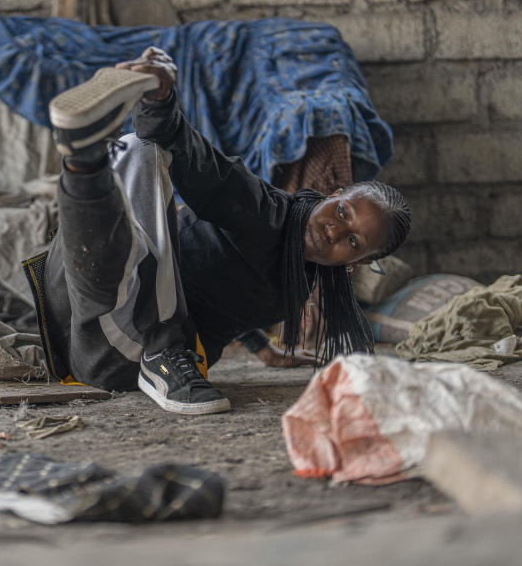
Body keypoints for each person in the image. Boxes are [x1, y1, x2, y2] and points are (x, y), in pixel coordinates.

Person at [22, 47, 410, 416]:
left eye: (353, 241)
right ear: (335, 194)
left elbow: (236, 295)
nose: (333, 231)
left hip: (113, 350)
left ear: (362, 261)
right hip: (89, 309)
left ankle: (83, 163)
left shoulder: (299, 277)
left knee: (138, 159)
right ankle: (86, 162)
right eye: (342, 211)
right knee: (142, 150)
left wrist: (262, 348)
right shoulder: (266, 212)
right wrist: (160, 102)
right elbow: (204, 168)